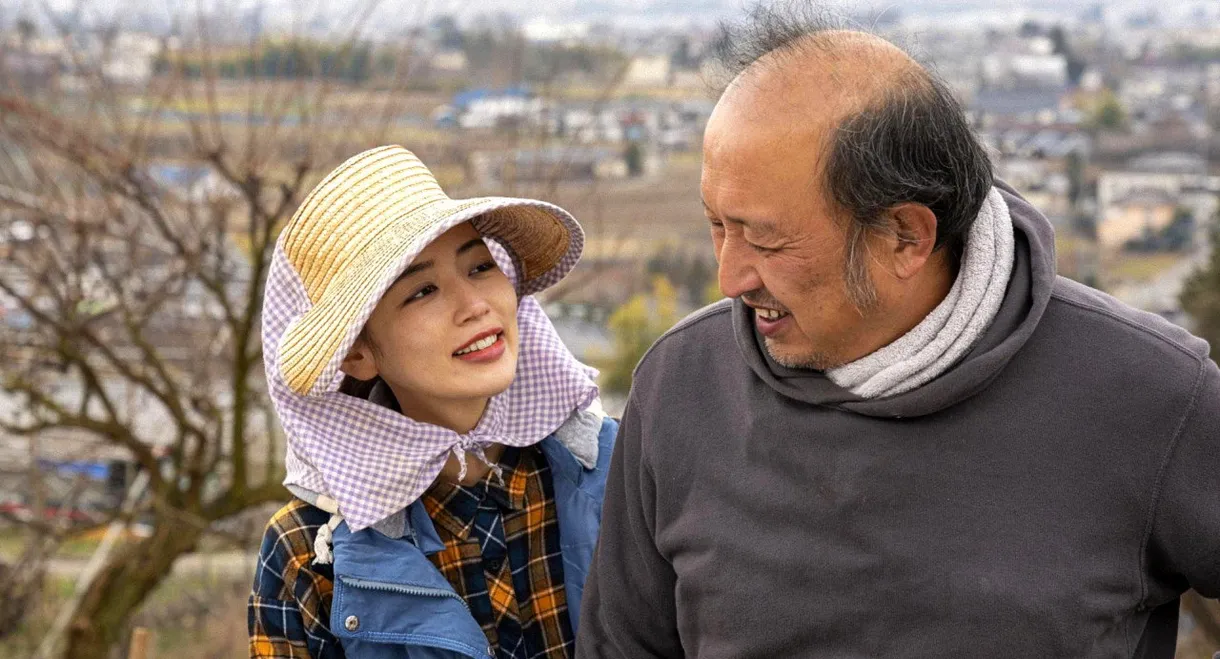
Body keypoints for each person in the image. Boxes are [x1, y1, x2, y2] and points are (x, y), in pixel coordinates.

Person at [577, 8, 1220, 659]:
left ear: (905, 236)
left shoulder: (1151, 394)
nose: (730, 277)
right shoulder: (680, 386)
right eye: (719, 225)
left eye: (765, 239)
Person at [247, 145, 617, 659]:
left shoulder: (624, 471)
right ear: (356, 353)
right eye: (421, 291)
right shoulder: (309, 553)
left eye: (480, 267)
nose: (474, 305)